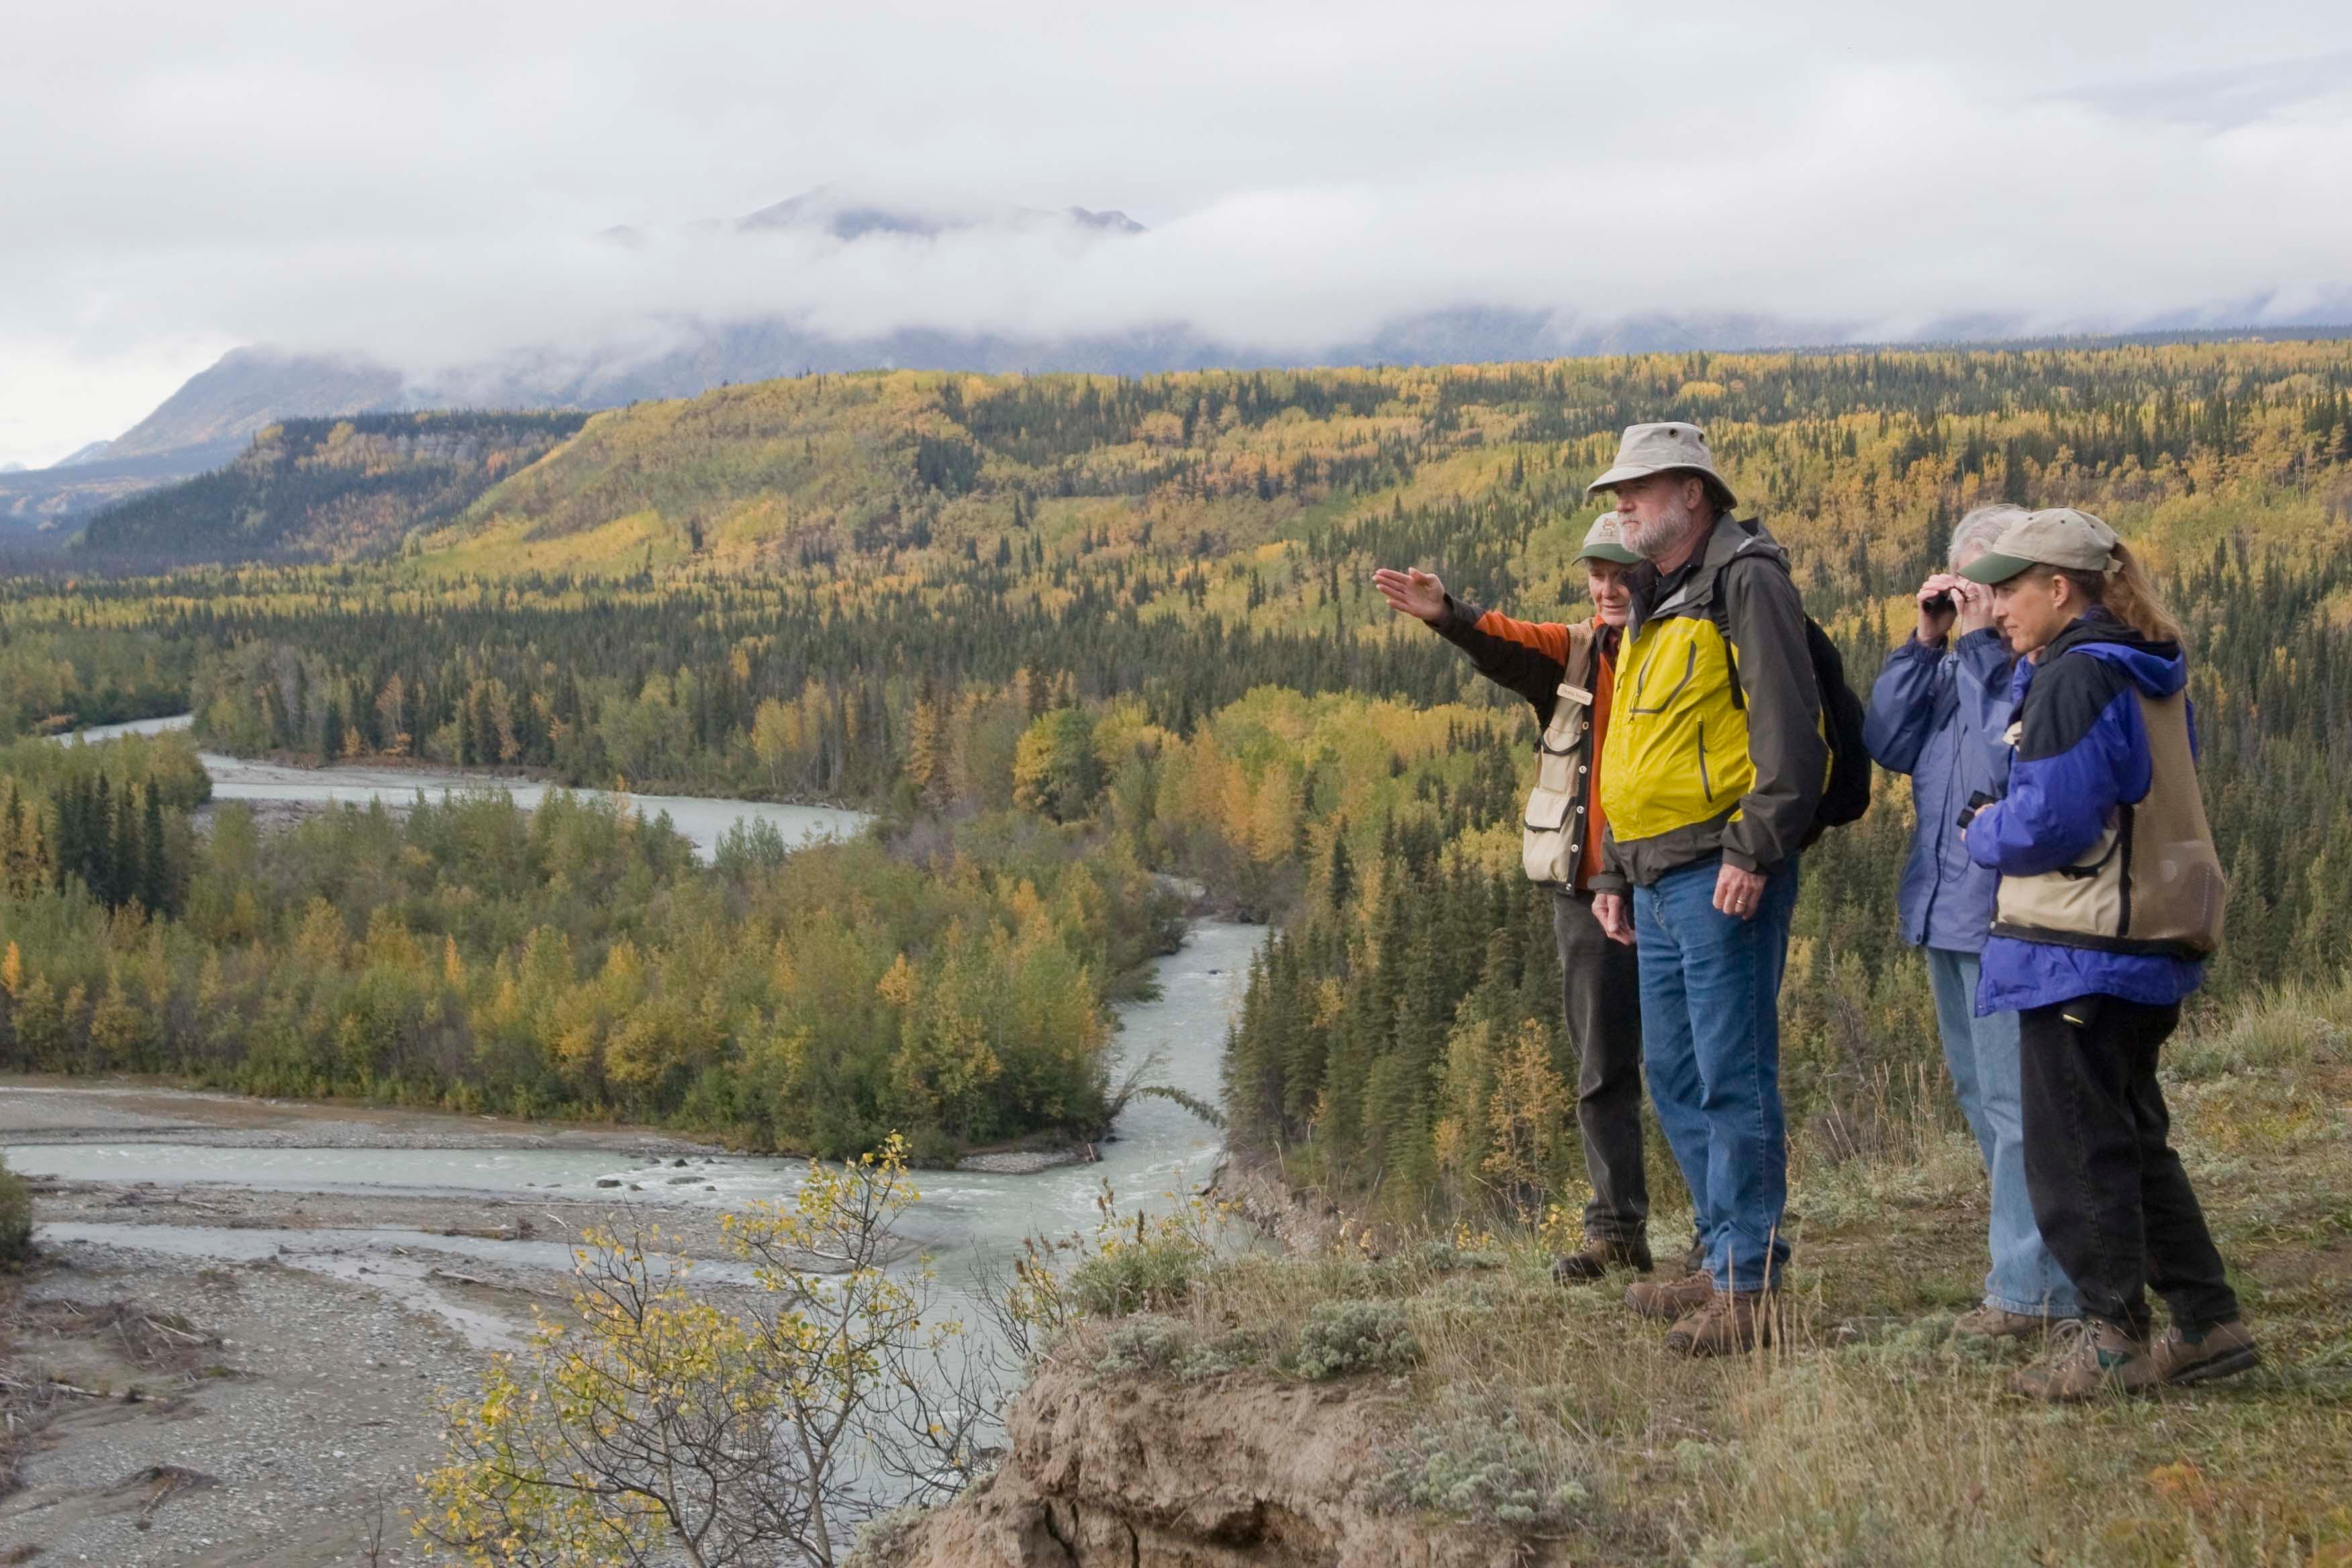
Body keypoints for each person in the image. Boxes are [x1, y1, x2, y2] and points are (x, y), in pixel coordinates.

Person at [1957, 507, 2256, 1400]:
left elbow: (2055, 820)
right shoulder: (2144, 667)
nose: (1997, 605)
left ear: (2060, 589)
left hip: (2078, 949)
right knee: (2134, 1139)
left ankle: (2112, 1341)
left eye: (2011, 588)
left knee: (2075, 1151)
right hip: (2144, 945)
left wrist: (1982, 830)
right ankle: (2206, 1323)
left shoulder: (2075, 679)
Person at [1373, 516, 1689, 1283]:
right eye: (1597, 573)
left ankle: (1725, 1235)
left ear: (1653, 571)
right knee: (1603, 1067)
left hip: (1675, 883)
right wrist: (1449, 614)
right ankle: (1618, 1230)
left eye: (1622, 572)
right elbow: (1502, 641)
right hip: (1585, 896)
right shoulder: (1574, 653)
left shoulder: (1688, 647)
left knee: (1695, 1064)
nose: (1608, 587)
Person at [1585, 422, 1826, 1356]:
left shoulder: (1745, 581)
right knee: (1677, 1074)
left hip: (1718, 872)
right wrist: (1611, 867)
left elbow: (1788, 734)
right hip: (1652, 875)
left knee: (1734, 1073)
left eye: (1635, 491)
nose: (1621, 507)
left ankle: (1749, 1283)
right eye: (1617, 495)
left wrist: (1755, 849)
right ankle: (1719, 1250)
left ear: (1692, 491)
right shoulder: (1658, 596)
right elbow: (1634, 750)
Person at [1864, 505, 2082, 1338]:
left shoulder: (2029, 670)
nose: (1982, 599)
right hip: (1943, 909)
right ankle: (2044, 1264)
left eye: (1998, 582)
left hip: (2009, 919)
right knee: (1978, 1094)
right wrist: (1925, 640)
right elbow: (1885, 738)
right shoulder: (1952, 666)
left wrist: (1987, 643)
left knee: (2016, 1105)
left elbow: (2006, 755)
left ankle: (2030, 1289)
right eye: (1970, 581)